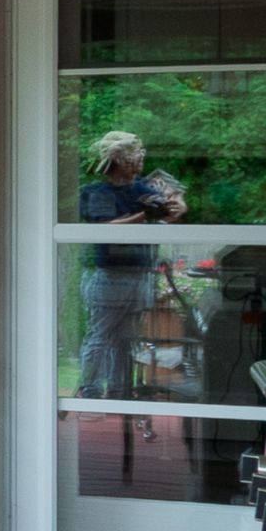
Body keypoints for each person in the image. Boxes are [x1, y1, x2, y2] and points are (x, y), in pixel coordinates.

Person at [74, 129, 186, 399]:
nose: (141, 157)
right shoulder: (97, 192)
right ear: (118, 159)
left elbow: (170, 208)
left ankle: (119, 392)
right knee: (101, 335)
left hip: (140, 273)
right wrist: (143, 214)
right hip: (109, 275)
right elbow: (105, 229)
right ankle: (90, 391)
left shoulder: (142, 188)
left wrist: (176, 206)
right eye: (136, 153)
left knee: (126, 338)